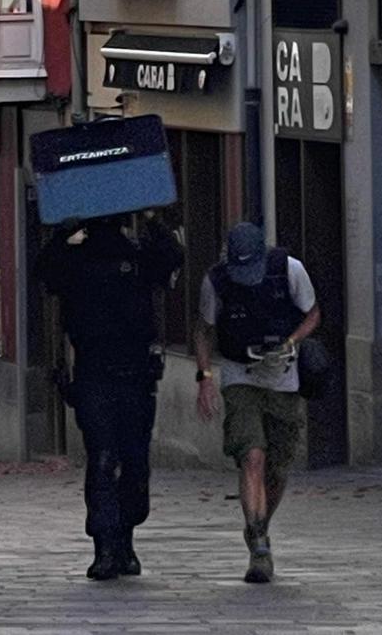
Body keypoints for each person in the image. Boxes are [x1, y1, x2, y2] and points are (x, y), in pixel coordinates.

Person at [37, 211, 183, 581]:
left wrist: (150, 217)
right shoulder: (78, 260)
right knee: (108, 458)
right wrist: (66, 230)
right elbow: (45, 271)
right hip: (96, 373)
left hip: (130, 372)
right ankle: (106, 545)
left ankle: (122, 542)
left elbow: (171, 257)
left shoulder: (135, 257)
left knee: (125, 460)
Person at [195, 222, 321, 584]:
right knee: (252, 455)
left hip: (283, 377)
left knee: (278, 469)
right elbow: (203, 329)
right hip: (240, 375)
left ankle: (258, 524)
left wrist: (291, 342)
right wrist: (204, 377)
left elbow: (313, 313)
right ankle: (260, 544)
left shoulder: (290, 270)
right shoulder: (216, 282)